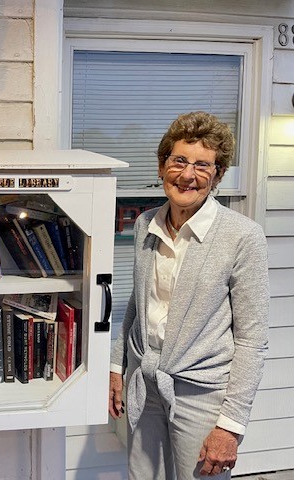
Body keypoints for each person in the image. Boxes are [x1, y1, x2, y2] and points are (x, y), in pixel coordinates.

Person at [108, 111, 269, 479]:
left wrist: (230, 426)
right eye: (179, 160)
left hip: (202, 396)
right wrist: (117, 368)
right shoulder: (145, 223)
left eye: (202, 165)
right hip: (145, 385)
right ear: (162, 165)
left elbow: (252, 340)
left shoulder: (242, 237)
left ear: (218, 175)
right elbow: (138, 301)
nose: (188, 174)